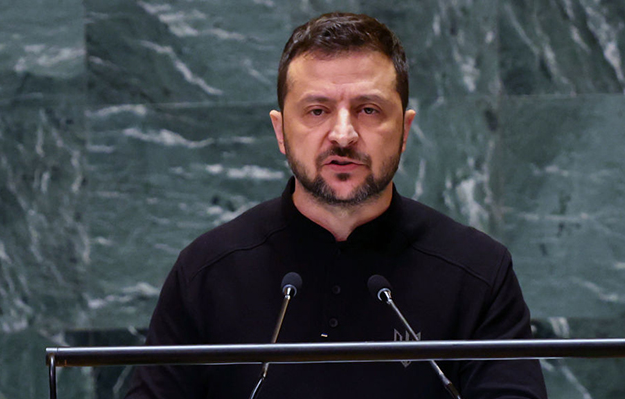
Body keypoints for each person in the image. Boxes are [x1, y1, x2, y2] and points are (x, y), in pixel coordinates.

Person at [125, 12, 547, 399]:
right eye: (317, 110)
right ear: (280, 131)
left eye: (368, 110)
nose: (343, 134)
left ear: (404, 129)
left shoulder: (478, 273)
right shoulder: (206, 273)